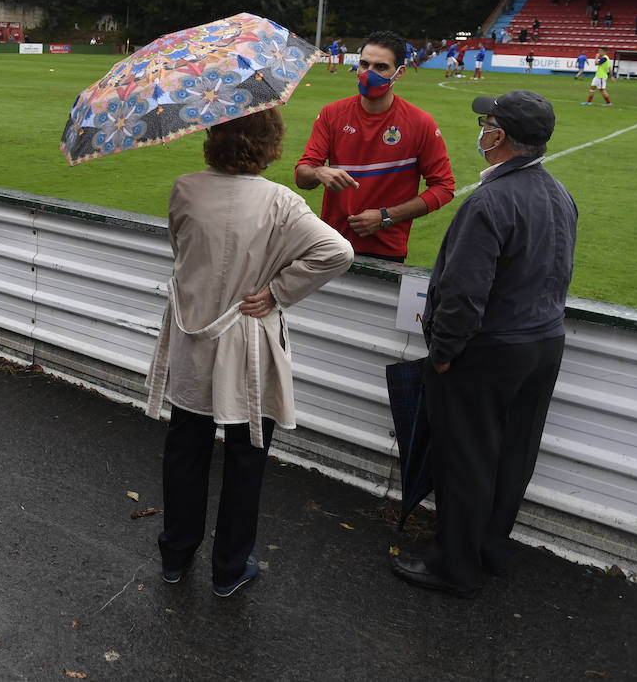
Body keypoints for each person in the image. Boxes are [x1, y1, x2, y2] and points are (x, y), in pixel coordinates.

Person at [145, 111, 353, 597]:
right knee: (245, 457)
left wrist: (272, 288)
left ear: (214, 138)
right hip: (245, 342)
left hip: (195, 335)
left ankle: (176, 555)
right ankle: (229, 566)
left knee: (186, 448)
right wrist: (278, 290)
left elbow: (182, 252)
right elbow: (338, 251)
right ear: (270, 145)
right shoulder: (281, 201)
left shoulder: (186, 189)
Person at [391, 90, 577, 597]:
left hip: (491, 347)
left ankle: (455, 566)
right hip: (543, 341)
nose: (482, 131)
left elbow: (462, 291)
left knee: (467, 459)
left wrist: (444, 352)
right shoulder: (559, 192)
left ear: (499, 137)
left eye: (487, 124)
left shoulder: (490, 200)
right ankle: (489, 548)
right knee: (514, 454)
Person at [295, 30, 455, 264]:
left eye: (380, 67)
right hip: (331, 244)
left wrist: (386, 217)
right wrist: (319, 172)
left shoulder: (420, 123)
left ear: (399, 73)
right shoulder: (332, 114)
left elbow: (444, 187)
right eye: (364, 65)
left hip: (386, 251)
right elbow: (302, 176)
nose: (368, 74)